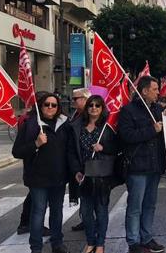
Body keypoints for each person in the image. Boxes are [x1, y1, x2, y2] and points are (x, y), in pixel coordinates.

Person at [12, 93, 71, 253]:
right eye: (47, 104)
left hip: (59, 178)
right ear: (40, 106)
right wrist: (36, 144)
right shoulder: (31, 125)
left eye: (54, 105)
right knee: (38, 212)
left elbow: (70, 150)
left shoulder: (65, 124)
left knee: (57, 212)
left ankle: (57, 243)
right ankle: (36, 248)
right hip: (37, 178)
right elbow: (17, 151)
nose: (50, 108)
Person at [119, 76, 166, 253]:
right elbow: (127, 136)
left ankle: (147, 238)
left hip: (155, 166)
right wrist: (151, 130)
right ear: (144, 91)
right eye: (155, 89)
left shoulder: (158, 110)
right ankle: (133, 242)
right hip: (137, 167)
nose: (158, 92)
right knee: (135, 206)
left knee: (150, 205)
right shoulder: (128, 111)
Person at [68, 95, 117, 253]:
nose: (94, 108)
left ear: (102, 108)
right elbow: (71, 152)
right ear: (87, 108)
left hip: (102, 176)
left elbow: (118, 148)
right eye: (91, 105)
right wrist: (76, 171)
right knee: (86, 212)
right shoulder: (77, 127)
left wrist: (104, 148)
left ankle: (100, 243)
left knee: (101, 210)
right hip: (84, 175)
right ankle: (90, 241)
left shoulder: (107, 128)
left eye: (97, 105)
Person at [69, 87, 90, 232]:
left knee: (91, 194)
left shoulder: (91, 116)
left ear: (84, 99)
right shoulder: (75, 115)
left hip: (90, 161)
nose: (73, 101)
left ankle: (91, 220)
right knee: (82, 193)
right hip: (77, 161)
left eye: (75, 98)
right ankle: (85, 218)